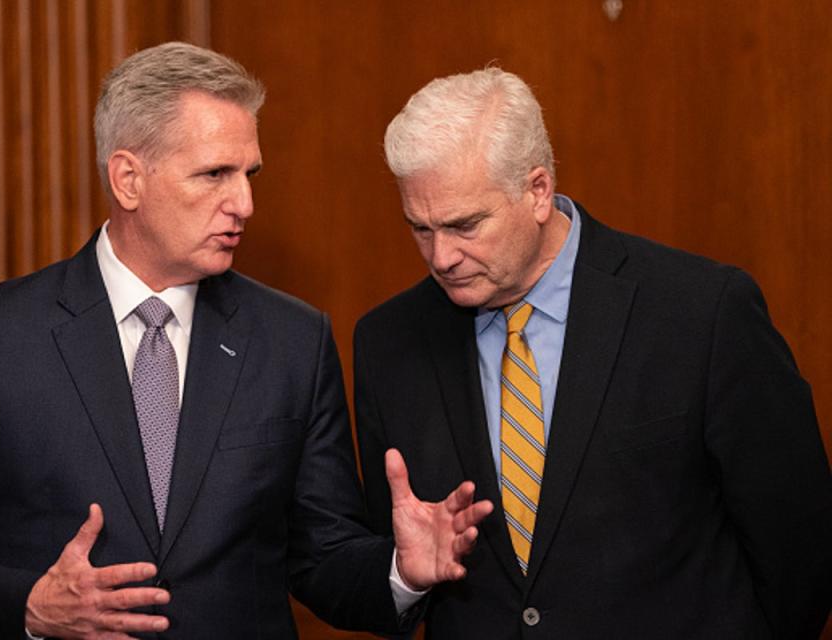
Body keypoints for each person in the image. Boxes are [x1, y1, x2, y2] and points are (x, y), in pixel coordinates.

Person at [0, 42, 492, 639]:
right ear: (128, 180)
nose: (245, 204)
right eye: (214, 174)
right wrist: (33, 606)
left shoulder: (293, 341)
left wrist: (400, 573)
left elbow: (322, 558)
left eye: (248, 174)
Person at [354, 66, 832, 638]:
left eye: (464, 225)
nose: (441, 256)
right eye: (420, 228)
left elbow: (800, 548)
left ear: (537, 191)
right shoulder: (389, 342)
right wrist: (405, 578)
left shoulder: (701, 313)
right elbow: (383, 559)